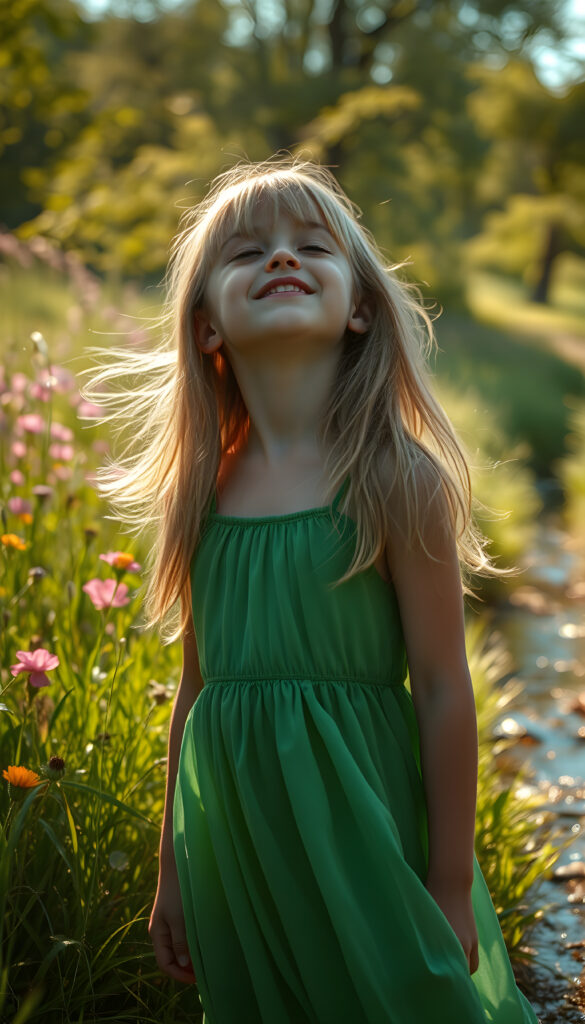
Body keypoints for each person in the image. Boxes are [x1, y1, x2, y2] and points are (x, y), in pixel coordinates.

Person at [83, 156, 541, 1023]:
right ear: (206, 324)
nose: (281, 258)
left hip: (365, 825)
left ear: (360, 307)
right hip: (243, 839)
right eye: (246, 252)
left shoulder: (396, 482)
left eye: (311, 246)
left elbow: (443, 689)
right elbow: (195, 690)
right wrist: (171, 870)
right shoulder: (200, 493)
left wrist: (448, 878)